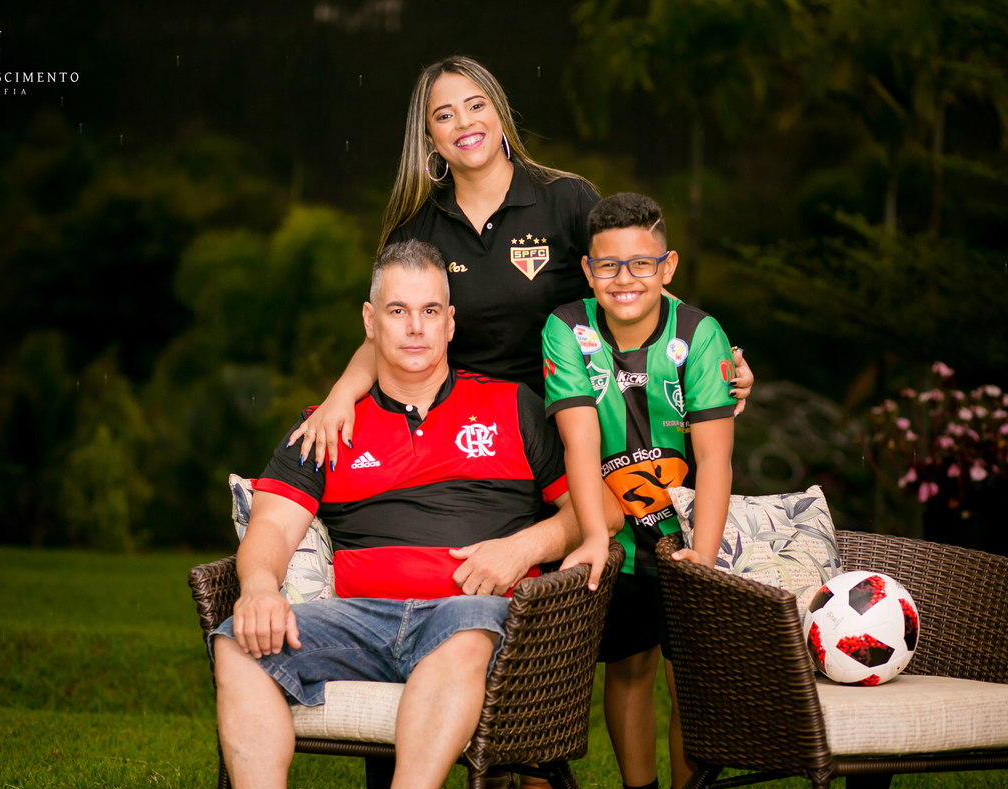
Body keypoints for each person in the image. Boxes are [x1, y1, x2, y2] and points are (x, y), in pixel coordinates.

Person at [212, 239, 621, 789]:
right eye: (397, 310)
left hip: (472, 614)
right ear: (370, 321)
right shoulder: (326, 427)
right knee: (236, 642)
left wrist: (524, 547)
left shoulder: (512, 406)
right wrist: (259, 587)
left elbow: (604, 509)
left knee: (464, 632)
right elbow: (273, 528)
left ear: (450, 323)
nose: (415, 328)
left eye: (430, 311)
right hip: (361, 622)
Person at [289, 55, 754, 474]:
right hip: (471, 436)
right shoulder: (416, 229)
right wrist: (338, 398)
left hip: (582, 420)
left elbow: (637, 285)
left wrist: (714, 355)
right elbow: (388, 333)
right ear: (429, 137)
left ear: (500, 113)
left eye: (476, 105)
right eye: (444, 115)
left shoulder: (566, 198)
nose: (464, 122)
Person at [545, 193, 736, 789]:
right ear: (587, 270)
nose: (624, 279)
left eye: (641, 263)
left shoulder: (699, 333)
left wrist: (705, 555)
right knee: (629, 668)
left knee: (689, 683)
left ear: (667, 266)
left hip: (685, 535)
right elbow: (578, 442)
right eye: (608, 265)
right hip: (618, 534)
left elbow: (715, 457)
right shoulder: (567, 328)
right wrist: (594, 537)